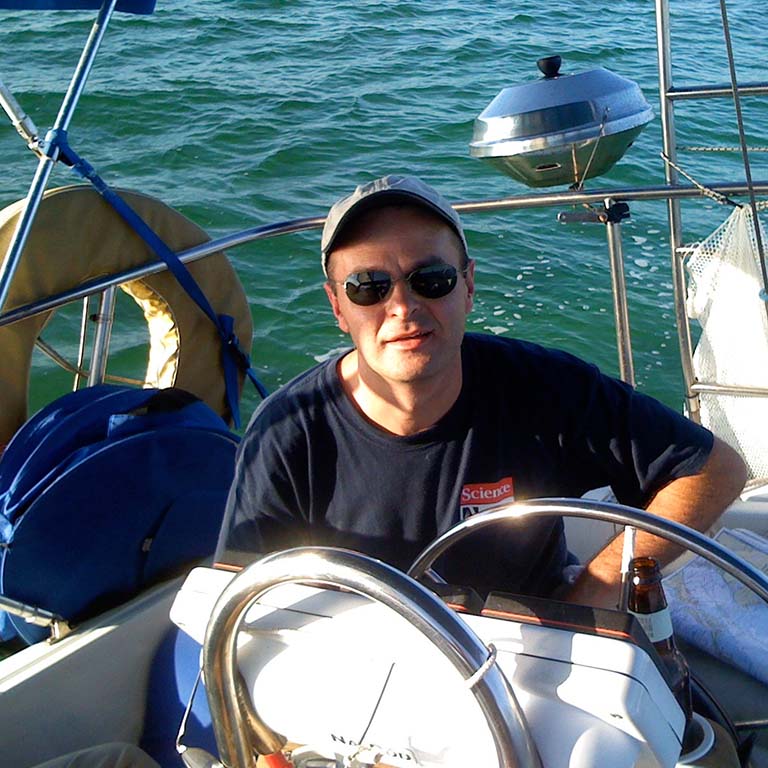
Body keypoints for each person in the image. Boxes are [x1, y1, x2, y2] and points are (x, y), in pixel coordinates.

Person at [215, 174, 747, 608]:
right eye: (369, 287)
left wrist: (597, 588)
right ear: (338, 308)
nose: (402, 307)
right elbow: (236, 594)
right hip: (361, 662)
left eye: (431, 279)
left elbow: (714, 470)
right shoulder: (287, 432)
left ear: (468, 285)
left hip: (529, 649)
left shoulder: (542, 388)